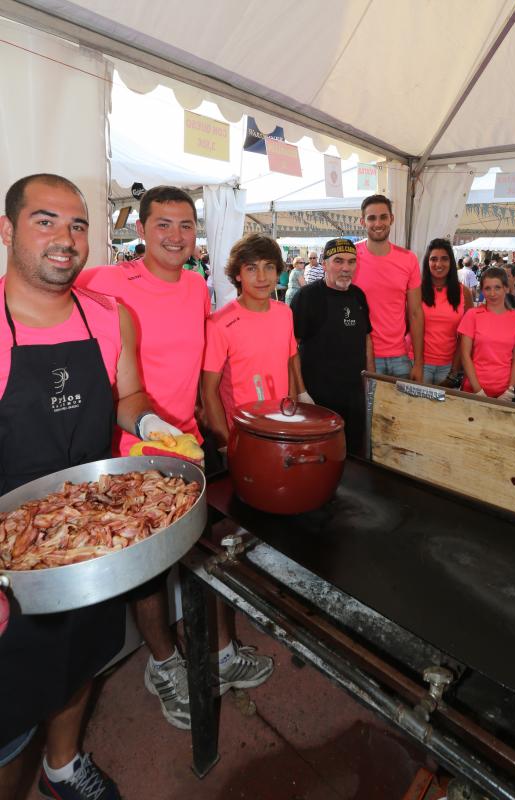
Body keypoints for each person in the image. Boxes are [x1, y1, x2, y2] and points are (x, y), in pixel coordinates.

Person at [0, 173, 178, 800]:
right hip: (10, 558)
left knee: (80, 664)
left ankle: (63, 765)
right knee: (6, 710)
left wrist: (150, 421)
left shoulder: (109, 317)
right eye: (44, 220)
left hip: (95, 535)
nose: (65, 238)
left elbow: (126, 394)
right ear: (7, 230)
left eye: (78, 225)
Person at [76, 186, 273, 729]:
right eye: (162, 224)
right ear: (139, 230)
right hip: (132, 452)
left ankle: (223, 652)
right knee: (148, 575)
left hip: (188, 444)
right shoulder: (104, 281)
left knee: (214, 551)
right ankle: (164, 662)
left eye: (186, 225)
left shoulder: (196, 288)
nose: (175, 235)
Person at [203, 233, 301, 440]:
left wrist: (292, 410)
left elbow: (289, 363)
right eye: (251, 268)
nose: (262, 277)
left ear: (277, 272)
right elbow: (208, 391)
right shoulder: (219, 323)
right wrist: (225, 442)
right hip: (242, 434)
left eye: (269, 267)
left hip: (282, 427)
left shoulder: (285, 313)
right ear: (237, 274)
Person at [290, 238, 374, 454]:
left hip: (354, 396)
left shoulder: (358, 296)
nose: (346, 268)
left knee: (354, 455)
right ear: (324, 264)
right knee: (319, 459)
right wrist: (301, 392)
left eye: (351, 262)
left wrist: (371, 382)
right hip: (319, 399)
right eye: (338, 261)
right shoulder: (306, 297)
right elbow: (291, 348)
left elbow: (366, 339)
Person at [353, 194, 423, 381]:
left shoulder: (408, 259)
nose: (378, 223)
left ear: (391, 218)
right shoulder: (350, 257)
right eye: (371, 218)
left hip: (400, 356)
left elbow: (415, 312)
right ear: (362, 222)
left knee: (400, 411)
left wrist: (418, 362)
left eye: (383, 217)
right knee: (364, 411)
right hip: (362, 355)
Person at [457, 267, 515, 400]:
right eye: (487, 288)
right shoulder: (472, 315)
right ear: (482, 290)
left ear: (506, 288)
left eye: (497, 287)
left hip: (504, 392)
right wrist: (478, 391)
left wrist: (510, 390)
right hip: (473, 390)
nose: (492, 293)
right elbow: (465, 355)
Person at [420, 238, 472, 386]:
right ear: (427, 262)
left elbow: (466, 336)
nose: (438, 264)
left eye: (444, 259)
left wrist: (454, 371)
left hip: (448, 366)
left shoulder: (464, 292)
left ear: (451, 262)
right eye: (433, 259)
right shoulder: (416, 290)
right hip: (418, 363)